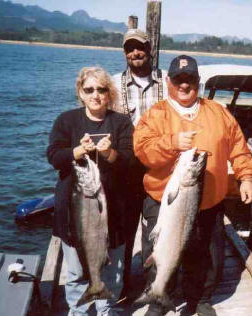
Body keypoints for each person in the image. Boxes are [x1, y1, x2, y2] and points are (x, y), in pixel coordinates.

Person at [133, 55, 252, 316]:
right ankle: (159, 297)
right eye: (178, 80)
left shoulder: (218, 112)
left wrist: (246, 177)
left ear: (197, 81)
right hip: (165, 201)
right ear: (168, 81)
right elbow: (143, 150)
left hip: (209, 202)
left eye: (190, 80)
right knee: (161, 251)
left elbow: (239, 148)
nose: (184, 85)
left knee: (208, 257)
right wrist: (173, 142)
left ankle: (200, 298)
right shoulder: (156, 114)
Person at [47, 66, 134, 316]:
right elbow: (53, 156)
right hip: (75, 214)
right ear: (80, 93)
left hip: (114, 213)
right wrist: (77, 151)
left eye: (101, 89)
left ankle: (108, 310)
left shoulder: (121, 122)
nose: (96, 94)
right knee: (75, 273)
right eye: (89, 89)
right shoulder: (67, 120)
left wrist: (109, 153)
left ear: (109, 93)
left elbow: (130, 161)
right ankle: (78, 312)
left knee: (113, 271)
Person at [112, 28, 166, 295]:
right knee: (125, 226)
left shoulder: (168, 82)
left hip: (159, 167)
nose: (135, 52)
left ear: (150, 49)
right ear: (124, 53)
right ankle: (120, 284)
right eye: (129, 48)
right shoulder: (112, 85)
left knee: (157, 227)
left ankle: (154, 284)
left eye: (140, 47)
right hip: (126, 170)